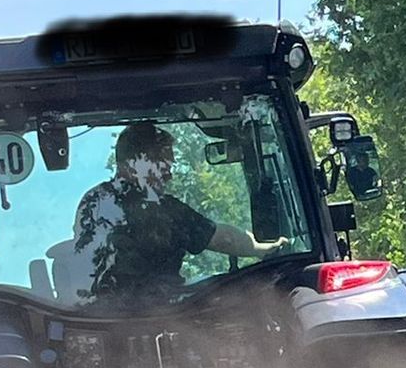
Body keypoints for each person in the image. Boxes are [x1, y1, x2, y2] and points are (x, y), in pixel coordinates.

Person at [73, 120, 286, 300]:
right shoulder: (161, 209)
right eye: (163, 166)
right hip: (158, 313)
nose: (169, 176)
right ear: (136, 162)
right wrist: (261, 247)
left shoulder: (91, 200)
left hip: (99, 311)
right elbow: (224, 239)